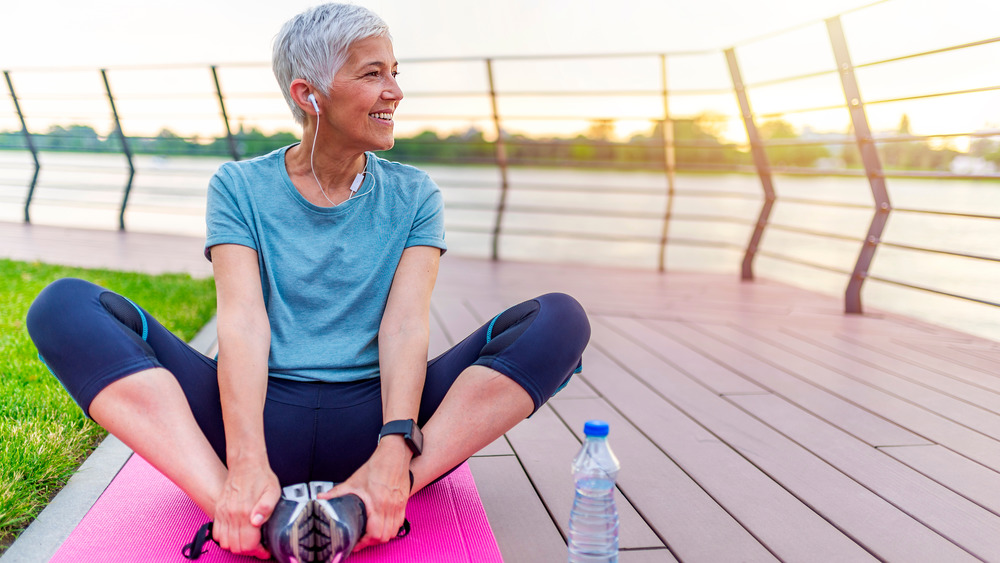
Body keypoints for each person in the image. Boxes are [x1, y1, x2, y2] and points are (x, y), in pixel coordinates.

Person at [26, 3, 590, 561]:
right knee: (63, 306)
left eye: (395, 73)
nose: (394, 90)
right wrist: (246, 462)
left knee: (561, 320)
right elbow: (243, 321)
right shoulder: (239, 186)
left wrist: (396, 446)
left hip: (377, 425)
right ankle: (237, 508)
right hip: (253, 421)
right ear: (308, 94)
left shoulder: (416, 195)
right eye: (373, 74)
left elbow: (404, 324)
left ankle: (372, 498)